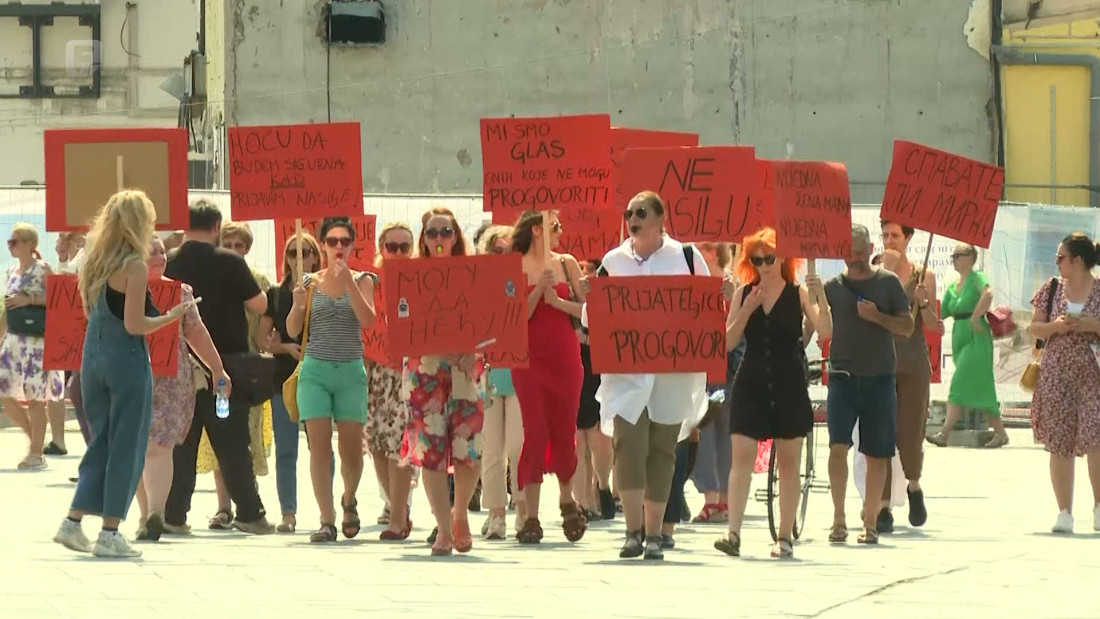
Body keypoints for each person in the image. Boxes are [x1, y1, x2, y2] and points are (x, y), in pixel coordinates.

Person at [53, 190, 195, 558]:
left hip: (92, 357)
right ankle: (111, 531)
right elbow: (135, 323)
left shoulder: (93, 261)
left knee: (101, 441)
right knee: (127, 446)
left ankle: (73, 521)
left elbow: (89, 313)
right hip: (126, 360)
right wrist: (171, 316)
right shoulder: (133, 266)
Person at [582, 191, 710, 561]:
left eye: (640, 212)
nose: (632, 218)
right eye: (628, 212)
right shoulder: (613, 261)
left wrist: (723, 294)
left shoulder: (686, 257)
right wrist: (591, 296)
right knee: (628, 450)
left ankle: (654, 535)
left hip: (672, 377)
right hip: (627, 378)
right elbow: (595, 321)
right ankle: (632, 532)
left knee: (661, 453)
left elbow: (704, 309)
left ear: (660, 220)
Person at [715, 227, 831, 559]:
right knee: (741, 461)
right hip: (750, 381)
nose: (764, 265)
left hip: (788, 383)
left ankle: (784, 537)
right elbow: (727, 342)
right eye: (757, 259)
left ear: (782, 257)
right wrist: (748, 308)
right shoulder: (743, 293)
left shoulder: (797, 294)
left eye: (769, 258)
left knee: (790, 464)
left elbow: (825, 332)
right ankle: (733, 533)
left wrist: (820, 295)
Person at [163, 200, 274, 535]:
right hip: (227, 368)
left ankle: (174, 515)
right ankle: (250, 514)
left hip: (181, 365)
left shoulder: (168, 262)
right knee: (233, 444)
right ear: (216, 227)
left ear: (184, 226)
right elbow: (259, 303)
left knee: (183, 443)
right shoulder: (231, 261)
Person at [821, 224, 913, 546]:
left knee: (877, 453)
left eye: (861, 255)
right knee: (837, 447)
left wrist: (878, 318)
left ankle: (870, 521)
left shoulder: (887, 284)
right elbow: (816, 324)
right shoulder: (831, 287)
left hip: (879, 378)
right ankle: (838, 518)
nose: (855, 261)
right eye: (850, 255)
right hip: (842, 378)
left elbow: (907, 326)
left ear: (870, 248)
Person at [286, 218, 377, 543]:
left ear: (352, 245)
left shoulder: (364, 279)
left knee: (351, 448)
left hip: (350, 370)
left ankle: (349, 498)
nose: (338, 246)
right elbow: (294, 330)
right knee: (319, 446)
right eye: (332, 241)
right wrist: (297, 306)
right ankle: (326, 519)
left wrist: (348, 282)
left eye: (344, 241)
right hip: (316, 371)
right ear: (323, 245)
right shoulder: (309, 282)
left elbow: (369, 320)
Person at [402, 206, 484, 556]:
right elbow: (402, 324)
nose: (438, 239)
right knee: (430, 450)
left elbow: (492, 317)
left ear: (455, 237)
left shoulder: (475, 274)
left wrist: (471, 350)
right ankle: (442, 529)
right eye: (432, 233)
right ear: (423, 239)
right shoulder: (409, 276)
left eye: (445, 232)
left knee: (468, 448)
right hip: (426, 372)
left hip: (466, 369)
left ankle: (459, 513)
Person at [135, 236, 226, 541]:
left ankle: (156, 514)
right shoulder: (120, 289)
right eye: (151, 251)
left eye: (162, 250)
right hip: (132, 376)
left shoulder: (180, 291)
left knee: (159, 446)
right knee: (136, 448)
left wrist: (218, 369)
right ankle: (145, 514)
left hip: (172, 381)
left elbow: (196, 332)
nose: (159, 256)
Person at [510, 210, 587, 544]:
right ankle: (530, 514)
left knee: (563, 428)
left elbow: (587, 312)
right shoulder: (512, 264)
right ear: (536, 230)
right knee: (536, 430)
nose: (560, 230)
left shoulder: (567, 262)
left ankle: (568, 497)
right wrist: (536, 292)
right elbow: (512, 318)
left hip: (565, 357)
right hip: (528, 360)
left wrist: (559, 300)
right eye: (554, 225)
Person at [197, 221, 274, 530]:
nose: (232, 250)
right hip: (212, 367)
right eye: (227, 244)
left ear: (247, 249)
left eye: (238, 245)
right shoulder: (209, 277)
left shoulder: (258, 280)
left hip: (246, 369)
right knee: (219, 439)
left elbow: (263, 323)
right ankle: (223, 506)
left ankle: (247, 501)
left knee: (244, 440)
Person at [1028, 232, 1100, 534]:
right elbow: (1034, 328)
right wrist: (1055, 327)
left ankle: (1098, 508)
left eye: (1061, 257)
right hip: (1056, 373)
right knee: (1059, 442)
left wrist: (1091, 324)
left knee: (1096, 438)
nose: (1056, 263)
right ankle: (1064, 511)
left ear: (1078, 260)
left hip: (1093, 373)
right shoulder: (1052, 287)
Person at [876, 222, 943, 532]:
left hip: (913, 363)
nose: (890, 241)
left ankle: (913, 485)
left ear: (908, 239)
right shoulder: (874, 270)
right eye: (885, 235)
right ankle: (883, 504)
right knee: (883, 432)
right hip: (881, 362)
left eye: (895, 236)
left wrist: (924, 300)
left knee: (909, 432)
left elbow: (933, 325)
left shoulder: (922, 274)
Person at [256, 231, 323, 534]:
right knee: (286, 448)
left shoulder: (326, 289)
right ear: (285, 258)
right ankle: (288, 513)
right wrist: (285, 347)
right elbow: (262, 339)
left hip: (319, 377)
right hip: (284, 379)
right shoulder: (276, 293)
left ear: (315, 255)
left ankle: (327, 510)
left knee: (321, 448)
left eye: (306, 252)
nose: (301, 259)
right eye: (293, 253)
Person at [364, 221, 417, 541]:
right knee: (378, 446)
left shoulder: (422, 278)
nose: (398, 252)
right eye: (391, 246)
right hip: (376, 372)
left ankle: (398, 516)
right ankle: (395, 503)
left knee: (401, 446)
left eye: (404, 247)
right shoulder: (370, 280)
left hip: (410, 374)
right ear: (381, 249)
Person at [927, 243, 1008, 448]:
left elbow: (988, 293)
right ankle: (1000, 432)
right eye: (952, 256)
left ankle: (944, 433)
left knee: (958, 384)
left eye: (958, 255)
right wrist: (923, 303)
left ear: (971, 258)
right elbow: (940, 313)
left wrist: (975, 316)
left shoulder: (977, 278)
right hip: (960, 338)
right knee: (982, 386)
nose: (954, 259)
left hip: (977, 337)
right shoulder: (953, 287)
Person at [476, 225, 527, 539]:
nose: (503, 255)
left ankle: (522, 509)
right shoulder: (478, 284)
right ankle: (496, 514)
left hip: (521, 374)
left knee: (518, 448)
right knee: (491, 450)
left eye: (509, 249)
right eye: (496, 250)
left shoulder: (525, 282)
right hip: (489, 375)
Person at [1, 223, 64, 470]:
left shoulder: (43, 269)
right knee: (4, 392)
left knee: (35, 397)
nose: (10, 246)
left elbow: (58, 300)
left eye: (14, 241)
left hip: (37, 341)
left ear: (29, 244)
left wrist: (31, 300)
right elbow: (9, 308)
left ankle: (36, 453)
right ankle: (34, 441)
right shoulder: (13, 272)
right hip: (14, 340)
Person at [691, 241, 736, 524]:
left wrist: (730, 298)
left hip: (730, 365)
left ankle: (725, 500)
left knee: (728, 434)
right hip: (700, 366)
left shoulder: (734, 283)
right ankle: (710, 497)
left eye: (706, 246)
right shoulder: (689, 281)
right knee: (704, 431)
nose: (699, 251)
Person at [576, 257, 615, 520]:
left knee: (599, 436)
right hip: (576, 369)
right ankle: (585, 502)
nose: (586, 274)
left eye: (591, 270)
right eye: (582, 270)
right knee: (580, 438)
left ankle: (602, 484)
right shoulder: (571, 298)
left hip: (602, 369)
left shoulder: (609, 300)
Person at [44, 231, 86, 456]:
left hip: (93, 335)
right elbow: (66, 287)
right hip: (76, 339)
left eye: (66, 237)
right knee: (78, 392)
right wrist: (63, 257)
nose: (62, 242)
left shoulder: (91, 251)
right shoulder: (75, 259)